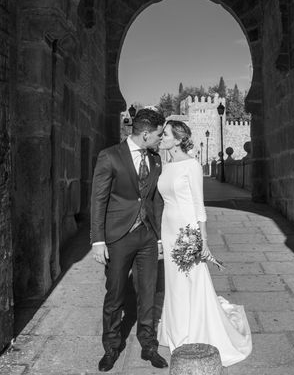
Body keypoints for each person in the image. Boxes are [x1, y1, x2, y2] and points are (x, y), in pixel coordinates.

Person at [156, 120, 252, 366]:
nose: (161, 137)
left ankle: (193, 330)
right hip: (168, 229)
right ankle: (175, 328)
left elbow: (199, 206)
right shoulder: (165, 165)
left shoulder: (192, 165)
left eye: (165, 134)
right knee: (173, 280)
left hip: (187, 229)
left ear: (178, 140)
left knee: (191, 279)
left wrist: (203, 241)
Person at [90, 109, 168, 372]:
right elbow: (98, 199)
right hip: (118, 236)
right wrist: (97, 241)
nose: (160, 139)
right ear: (145, 133)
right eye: (158, 134)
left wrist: (158, 237)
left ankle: (148, 344)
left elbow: (155, 199)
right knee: (115, 293)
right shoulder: (110, 156)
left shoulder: (156, 160)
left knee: (148, 292)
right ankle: (112, 347)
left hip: (147, 236)